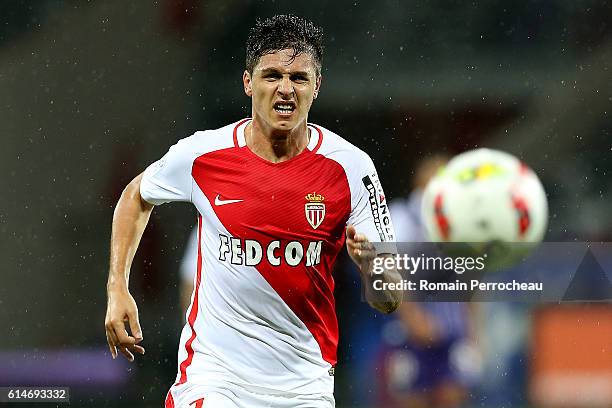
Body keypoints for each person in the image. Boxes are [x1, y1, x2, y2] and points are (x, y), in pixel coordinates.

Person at [104, 15, 401, 408]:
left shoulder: (352, 168)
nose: (285, 89)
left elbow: (390, 297)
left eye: (299, 78)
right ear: (248, 82)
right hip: (214, 377)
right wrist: (117, 286)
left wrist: (371, 268)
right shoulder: (203, 154)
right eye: (271, 75)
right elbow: (136, 195)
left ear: (317, 87)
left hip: (304, 385)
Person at [376, 155, 481, 408]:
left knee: (452, 397)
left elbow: (470, 281)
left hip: (452, 330)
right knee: (412, 398)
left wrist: (474, 332)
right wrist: (414, 319)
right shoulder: (401, 217)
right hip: (409, 333)